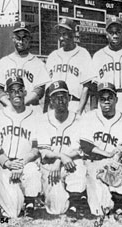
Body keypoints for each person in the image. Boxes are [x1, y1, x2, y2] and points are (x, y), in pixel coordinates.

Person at [79, 82, 122, 223]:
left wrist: (116, 157)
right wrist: (106, 154)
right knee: (99, 208)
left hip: (114, 159)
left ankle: (119, 207)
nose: (106, 101)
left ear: (116, 99)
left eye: (109, 98)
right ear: (98, 100)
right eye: (102, 98)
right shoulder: (89, 117)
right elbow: (85, 145)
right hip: (94, 160)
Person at [36, 80, 87, 218]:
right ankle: (60, 195)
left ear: (69, 98)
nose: (60, 100)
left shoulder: (78, 119)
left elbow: (79, 150)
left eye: (63, 96)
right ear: (50, 101)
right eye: (56, 97)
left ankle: (76, 203)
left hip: (70, 162)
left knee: (79, 166)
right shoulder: (43, 120)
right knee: (57, 209)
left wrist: (61, 159)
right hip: (50, 166)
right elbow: (44, 152)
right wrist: (60, 158)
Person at [0, 76, 41, 218]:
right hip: (5, 163)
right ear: (8, 94)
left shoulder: (34, 116)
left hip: (26, 162)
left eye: (20, 90)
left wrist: (22, 163)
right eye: (13, 91)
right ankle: (18, 197)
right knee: (12, 213)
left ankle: (31, 201)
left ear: (25, 92)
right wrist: (8, 164)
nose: (17, 94)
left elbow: (36, 148)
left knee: (32, 173)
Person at [0, 22, 50, 112]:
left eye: (24, 37)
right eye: (18, 37)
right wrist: (10, 105)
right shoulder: (3, 62)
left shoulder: (38, 63)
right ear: (13, 38)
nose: (21, 41)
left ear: (30, 39)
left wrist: (21, 104)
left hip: (31, 110)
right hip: (9, 110)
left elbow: (39, 91)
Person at [45, 18, 94, 115]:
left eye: (64, 34)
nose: (61, 38)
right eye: (59, 34)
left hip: (73, 103)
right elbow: (47, 88)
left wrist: (79, 110)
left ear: (72, 34)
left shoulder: (83, 54)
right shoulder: (52, 56)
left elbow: (87, 87)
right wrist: (46, 110)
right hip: (54, 105)